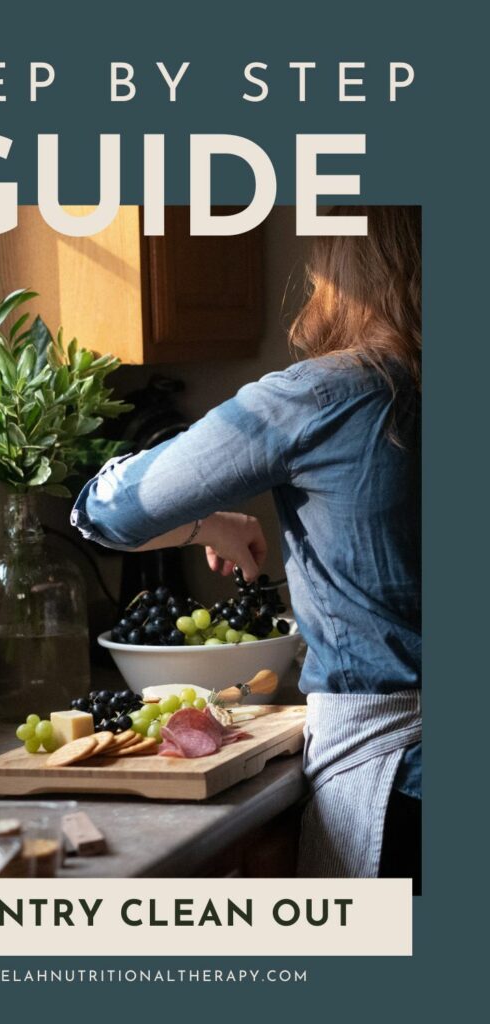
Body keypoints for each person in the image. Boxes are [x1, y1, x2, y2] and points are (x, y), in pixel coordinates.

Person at [71, 207, 421, 888]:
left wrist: (205, 522)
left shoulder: (324, 394)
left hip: (400, 776)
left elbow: (106, 513)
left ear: (341, 263)